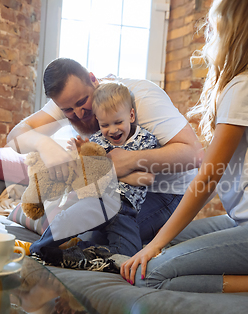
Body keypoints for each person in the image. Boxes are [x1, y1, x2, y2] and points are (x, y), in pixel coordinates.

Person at [120, 0, 248, 294]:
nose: (209, 28)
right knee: (156, 247)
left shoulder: (247, 86)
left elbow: (208, 177)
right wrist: (157, 243)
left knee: (148, 274)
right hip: (247, 221)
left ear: (233, 24)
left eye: (215, 19)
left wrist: (155, 246)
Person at [7, 58, 202, 246]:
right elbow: (15, 136)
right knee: (68, 223)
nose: (79, 114)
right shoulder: (68, 98)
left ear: (93, 79)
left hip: (166, 191)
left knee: (96, 237)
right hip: (111, 188)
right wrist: (45, 145)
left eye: (83, 101)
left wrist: (130, 160)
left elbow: (194, 154)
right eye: (68, 110)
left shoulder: (142, 97)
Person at [29, 82, 159, 257]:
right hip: (97, 199)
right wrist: (83, 156)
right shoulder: (96, 140)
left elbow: (147, 179)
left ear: (131, 115)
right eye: (105, 125)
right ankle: (38, 249)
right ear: (98, 120)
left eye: (118, 122)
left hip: (126, 208)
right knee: (67, 219)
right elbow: (86, 172)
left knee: (127, 253)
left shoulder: (146, 140)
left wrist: (104, 168)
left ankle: (78, 252)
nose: (112, 130)